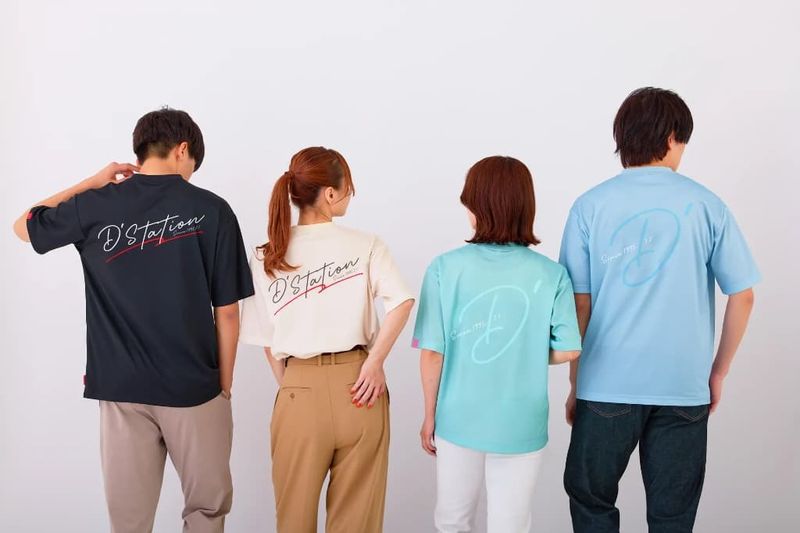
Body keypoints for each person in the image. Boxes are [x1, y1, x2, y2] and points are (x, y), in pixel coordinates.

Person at [12, 108, 254, 533]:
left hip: (121, 388)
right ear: (182, 150)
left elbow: (23, 226)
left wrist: (91, 183)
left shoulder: (95, 205)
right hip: (194, 387)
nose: (190, 176)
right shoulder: (212, 209)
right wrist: (224, 387)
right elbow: (228, 312)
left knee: (128, 522)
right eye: (193, 165)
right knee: (207, 510)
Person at [560, 87, 759, 532]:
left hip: (606, 384)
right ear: (671, 137)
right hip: (683, 385)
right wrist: (718, 372)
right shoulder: (708, 205)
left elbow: (579, 303)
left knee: (591, 500)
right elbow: (743, 295)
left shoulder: (589, 206)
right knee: (673, 515)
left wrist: (576, 382)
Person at [239, 146, 415, 533]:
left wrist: (294, 386)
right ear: (330, 193)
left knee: (293, 521)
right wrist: (374, 363)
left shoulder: (267, 254)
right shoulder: (366, 244)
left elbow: (267, 341)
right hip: (361, 387)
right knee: (357, 523)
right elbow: (402, 301)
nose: (352, 193)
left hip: (298, 390)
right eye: (349, 186)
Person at [412, 156, 582, 533]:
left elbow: (433, 353)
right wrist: (525, 348)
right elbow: (570, 349)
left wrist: (429, 416)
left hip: (458, 416)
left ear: (477, 206)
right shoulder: (552, 274)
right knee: (511, 523)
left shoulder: (444, 268)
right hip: (521, 420)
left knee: (452, 520)